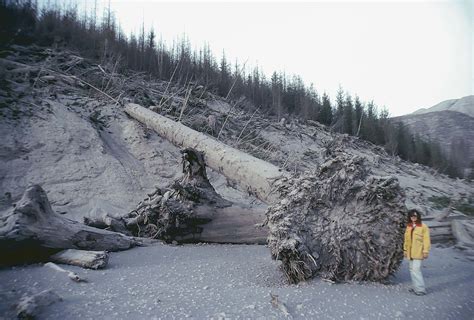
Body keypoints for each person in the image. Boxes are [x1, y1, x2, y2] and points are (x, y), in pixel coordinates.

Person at [403, 209, 431, 295]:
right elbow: (406, 240)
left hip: (419, 252)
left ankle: (420, 290)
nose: (413, 217)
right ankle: (416, 287)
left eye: (415, 216)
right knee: (411, 269)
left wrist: (426, 251)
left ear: (418, 216)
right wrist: (405, 250)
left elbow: (426, 240)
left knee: (416, 269)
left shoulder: (423, 226)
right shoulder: (409, 226)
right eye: (411, 216)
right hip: (410, 252)